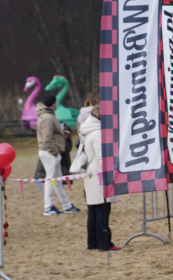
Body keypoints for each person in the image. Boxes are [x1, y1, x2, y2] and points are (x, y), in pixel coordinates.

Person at [79, 102, 118, 251]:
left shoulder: (89, 131)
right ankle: (104, 243)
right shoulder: (98, 133)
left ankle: (93, 242)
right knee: (102, 209)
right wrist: (109, 176)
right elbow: (102, 158)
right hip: (99, 174)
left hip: (91, 173)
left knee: (94, 210)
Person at [36, 93, 79, 216]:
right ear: (53, 103)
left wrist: (61, 133)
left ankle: (67, 205)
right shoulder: (48, 118)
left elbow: (50, 134)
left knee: (57, 180)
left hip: (49, 152)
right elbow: (47, 138)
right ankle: (48, 207)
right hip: (50, 153)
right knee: (51, 180)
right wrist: (55, 152)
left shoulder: (47, 116)